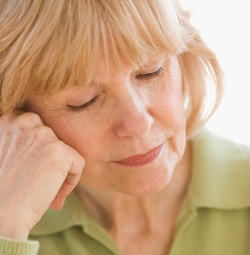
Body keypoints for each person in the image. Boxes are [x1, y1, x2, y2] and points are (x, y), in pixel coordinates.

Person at [0, 0, 250, 254]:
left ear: (182, 58)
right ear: (18, 113)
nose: (139, 123)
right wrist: (7, 227)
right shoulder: (12, 217)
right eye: (84, 101)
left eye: (151, 72)